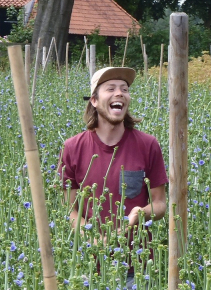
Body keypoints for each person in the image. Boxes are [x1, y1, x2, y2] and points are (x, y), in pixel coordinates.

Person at [58, 67, 168, 279]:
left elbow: (160, 203)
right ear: (94, 101)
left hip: (136, 268)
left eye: (124, 89)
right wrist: (93, 239)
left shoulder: (148, 145)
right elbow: (71, 210)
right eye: (111, 88)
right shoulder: (72, 148)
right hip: (88, 268)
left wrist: (140, 214)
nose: (119, 93)